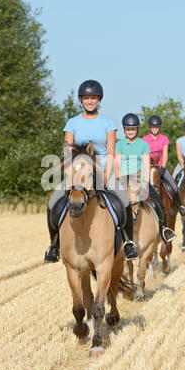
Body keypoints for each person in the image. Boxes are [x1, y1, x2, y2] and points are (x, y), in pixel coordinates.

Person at [44, 80, 139, 263]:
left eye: (93, 98)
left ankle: (128, 243)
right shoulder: (72, 123)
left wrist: (105, 175)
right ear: (81, 100)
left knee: (124, 199)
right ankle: (54, 245)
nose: (90, 101)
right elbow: (67, 152)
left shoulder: (108, 123)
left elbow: (111, 152)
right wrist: (70, 176)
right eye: (86, 98)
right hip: (77, 170)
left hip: (101, 166)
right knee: (53, 202)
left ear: (99, 100)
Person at [115, 113, 177, 243]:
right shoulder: (119, 145)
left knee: (158, 202)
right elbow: (117, 164)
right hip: (124, 182)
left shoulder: (143, 145)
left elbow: (146, 164)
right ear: (124, 130)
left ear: (137, 129)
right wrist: (117, 181)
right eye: (127, 129)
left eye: (132, 129)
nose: (130, 131)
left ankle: (164, 229)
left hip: (139, 181)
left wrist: (146, 182)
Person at [142, 115, 185, 217]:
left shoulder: (164, 139)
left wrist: (163, 167)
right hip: (147, 168)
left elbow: (165, 154)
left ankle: (180, 206)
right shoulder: (144, 139)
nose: (155, 128)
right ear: (150, 127)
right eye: (153, 126)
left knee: (174, 186)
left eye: (157, 127)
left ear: (159, 127)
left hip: (160, 168)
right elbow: (143, 155)